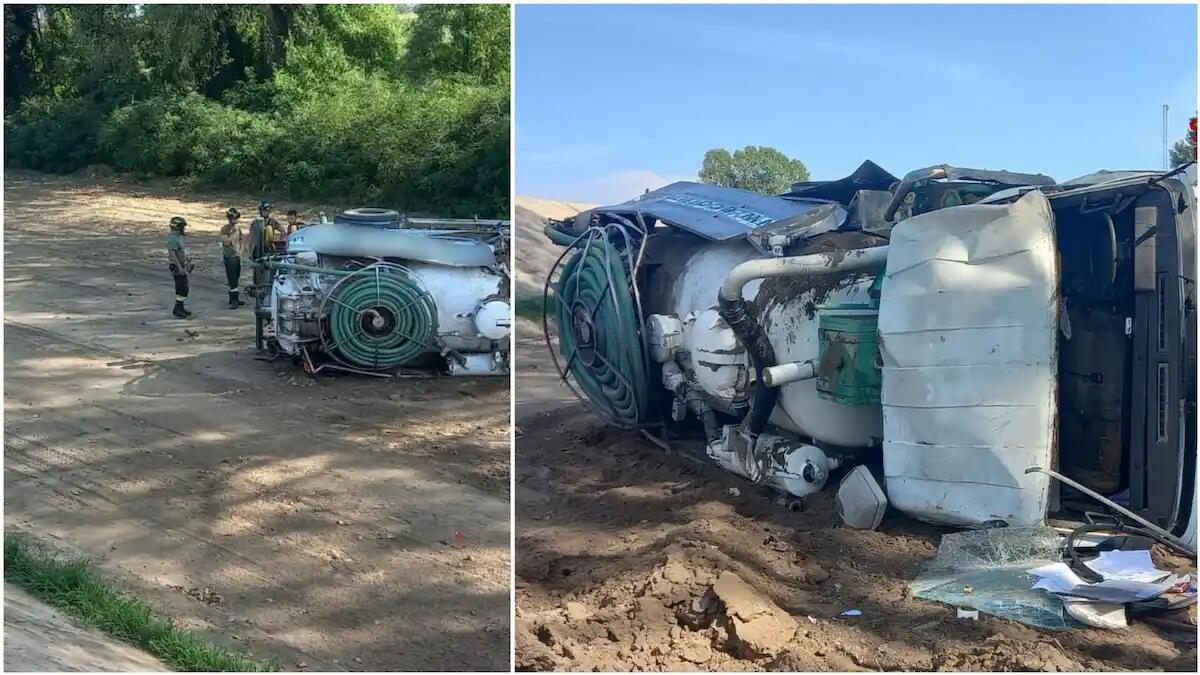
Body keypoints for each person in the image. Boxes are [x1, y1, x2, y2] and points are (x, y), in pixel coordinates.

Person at [165, 216, 193, 318]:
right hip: (176, 266)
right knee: (182, 287)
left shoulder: (179, 237)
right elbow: (172, 254)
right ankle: (178, 309)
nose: (183, 229)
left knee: (184, 287)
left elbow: (182, 251)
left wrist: (187, 261)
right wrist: (180, 268)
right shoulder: (173, 238)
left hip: (181, 265)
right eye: (182, 227)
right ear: (176, 228)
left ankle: (180, 307)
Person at [220, 207, 245, 308]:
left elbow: (242, 240)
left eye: (236, 218)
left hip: (237, 256)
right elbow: (226, 241)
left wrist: (241, 252)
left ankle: (234, 298)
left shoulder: (239, 228)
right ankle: (234, 299)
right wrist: (233, 232)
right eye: (232, 218)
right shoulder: (225, 229)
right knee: (232, 278)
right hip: (229, 256)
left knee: (236, 276)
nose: (234, 221)